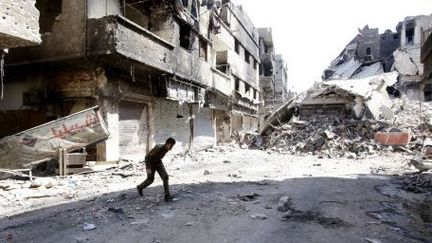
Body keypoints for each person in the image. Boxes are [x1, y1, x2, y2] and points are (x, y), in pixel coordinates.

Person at [137, 138, 176, 202]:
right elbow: (147, 157)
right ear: (166, 144)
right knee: (150, 180)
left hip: (158, 163)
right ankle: (140, 187)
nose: (171, 147)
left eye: (172, 146)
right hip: (150, 163)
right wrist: (148, 167)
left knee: (165, 177)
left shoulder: (166, 149)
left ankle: (167, 196)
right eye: (170, 145)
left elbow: (159, 158)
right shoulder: (159, 147)